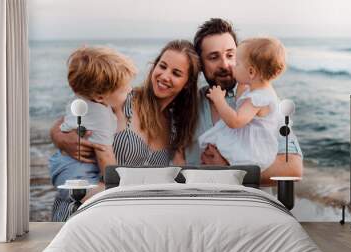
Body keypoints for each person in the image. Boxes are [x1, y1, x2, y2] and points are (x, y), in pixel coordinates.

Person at [49, 40, 200, 221]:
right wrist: (57, 134)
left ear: (187, 83)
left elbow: (177, 180)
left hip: (123, 220)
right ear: (154, 66)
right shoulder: (122, 98)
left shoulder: (176, 127)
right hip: (81, 211)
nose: (165, 76)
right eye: (163, 66)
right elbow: (77, 112)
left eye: (176, 73)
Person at [181, 18, 303, 185]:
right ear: (200, 64)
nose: (226, 64)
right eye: (214, 57)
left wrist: (229, 172)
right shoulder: (188, 105)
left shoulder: (260, 103)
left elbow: (292, 169)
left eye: (231, 55)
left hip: (246, 206)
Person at [49, 46, 137, 189]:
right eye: (124, 89)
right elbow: (105, 155)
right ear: (99, 96)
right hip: (77, 170)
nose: (130, 89)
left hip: (62, 161)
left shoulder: (82, 98)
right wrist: (116, 186)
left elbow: (65, 121)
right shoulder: (99, 116)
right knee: (99, 196)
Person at [199, 37, 286, 171]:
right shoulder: (258, 91)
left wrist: (219, 101)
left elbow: (235, 121)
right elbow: (240, 102)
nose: (231, 66)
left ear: (251, 72)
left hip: (251, 152)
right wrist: (242, 81)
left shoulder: (258, 99)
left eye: (237, 63)